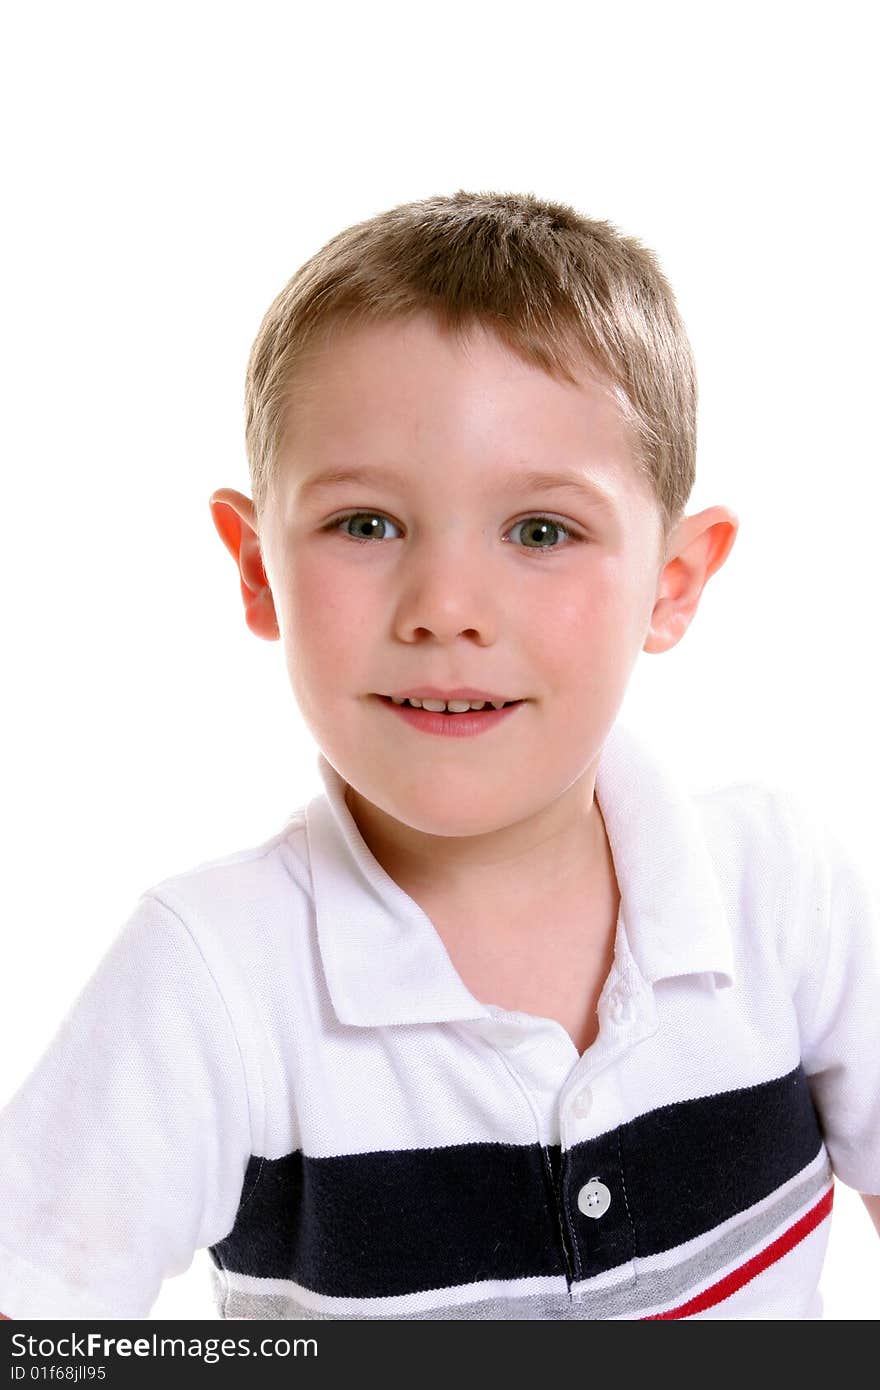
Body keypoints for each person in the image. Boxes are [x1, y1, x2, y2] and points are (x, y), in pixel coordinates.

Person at [1, 191, 877, 1322]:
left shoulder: (777, 889)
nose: (446, 609)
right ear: (256, 567)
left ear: (674, 582)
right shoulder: (212, 978)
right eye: (366, 523)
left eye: (540, 531)